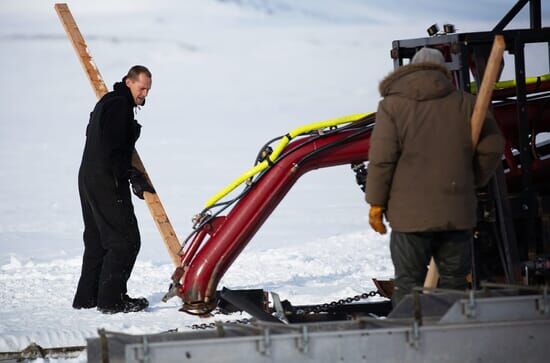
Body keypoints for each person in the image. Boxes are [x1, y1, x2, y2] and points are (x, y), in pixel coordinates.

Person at [365, 48, 505, 305]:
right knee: (454, 284)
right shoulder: (467, 103)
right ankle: (453, 339)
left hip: (409, 218)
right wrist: (471, 179)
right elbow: (493, 147)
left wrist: (376, 203)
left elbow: (382, 159)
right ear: (444, 71)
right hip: (456, 213)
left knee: (408, 285)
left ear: (410, 69)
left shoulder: (391, 106)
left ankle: (411, 339)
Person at [73, 65, 156, 314]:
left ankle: (88, 297)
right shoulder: (120, 106)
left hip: (88, 176)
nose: (145, 94)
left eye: (148, 90)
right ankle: (112, 301)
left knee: (98, 239)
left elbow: (93, 133)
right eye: (142, 88)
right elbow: (113, 147)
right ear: (129, 82)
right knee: (125, 241)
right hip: (107, 179)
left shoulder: (107, 102)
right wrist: (131, 175)